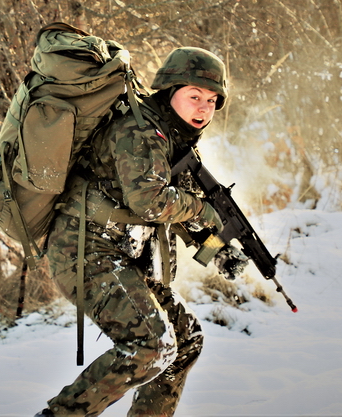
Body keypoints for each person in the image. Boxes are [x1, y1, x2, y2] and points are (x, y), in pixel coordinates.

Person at [37, 47, 249, 417]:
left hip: (116, 254)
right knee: (151, 346)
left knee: (185, 342)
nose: (203, 108)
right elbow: (151, 200)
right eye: (194, 96)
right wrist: (204, 211)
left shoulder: (174, 137)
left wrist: (219, 249)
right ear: (170, 91)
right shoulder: (140, 129)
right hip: (83, 250)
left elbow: (189, 214)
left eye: (212, 101)